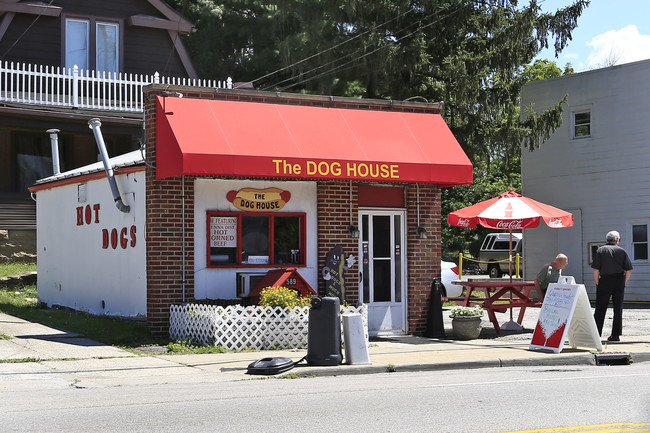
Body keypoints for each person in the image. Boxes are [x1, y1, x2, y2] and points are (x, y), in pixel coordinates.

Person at [591, 230, 633, 341]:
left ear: (607, 240)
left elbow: (596, 269)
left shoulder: (601, 250)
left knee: (600, 308)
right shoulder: (622, 251)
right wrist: (623, 282)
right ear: (617, 240)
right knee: (618, 308)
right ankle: (615, 335)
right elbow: (628, 270)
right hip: (619, 279)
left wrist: (597, 282)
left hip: (604, 280)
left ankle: (596, 334)